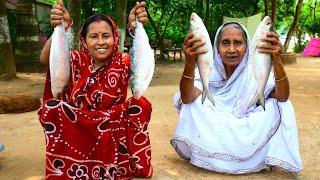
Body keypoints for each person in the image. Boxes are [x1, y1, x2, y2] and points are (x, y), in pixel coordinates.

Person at [38, 1, 153, 179]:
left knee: (141, 105)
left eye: (106, 36)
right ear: (84, 41)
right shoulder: (74, 58)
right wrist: (60, 29)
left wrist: (135, 28)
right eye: (93, 36)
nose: (100, 42)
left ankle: (129, 162)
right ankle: (70, 163)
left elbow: (143, 60)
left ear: (114, 38)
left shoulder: (123, 61)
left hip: (112, 127)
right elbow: (45, 59)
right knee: (51, 107)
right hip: (79, 125)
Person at [170, 22, 303, 174]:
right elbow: (187, 98)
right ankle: (214, 157)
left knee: (281, 106)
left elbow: (283, 95)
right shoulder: (208, 69)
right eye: (225, 43)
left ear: (247, 47)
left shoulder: (255, 69)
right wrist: (189, 62)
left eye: (238, 43)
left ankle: (251, 159)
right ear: (217, 48)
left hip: (247, 130)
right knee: (190, 104)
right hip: (214, 127)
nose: (231, 49)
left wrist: (276, 60)